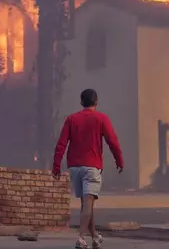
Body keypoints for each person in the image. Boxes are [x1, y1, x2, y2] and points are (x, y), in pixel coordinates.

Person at [52, 88, 124, 249]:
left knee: (87, 203)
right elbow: (113, 141)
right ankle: (81, 238)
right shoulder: (101, 118)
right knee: (87, 204)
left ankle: (95, 237)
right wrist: (119, 160)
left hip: (75, 168)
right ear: (96, 102)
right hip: (92, 166)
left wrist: (56, 166)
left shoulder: (71, 119)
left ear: (81, 102)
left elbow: (61, 144)